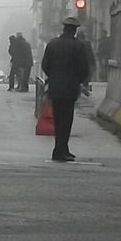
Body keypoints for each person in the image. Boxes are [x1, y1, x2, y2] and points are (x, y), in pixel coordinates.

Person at [41, 17, 90, 162]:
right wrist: (78, 80)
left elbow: (45, 65)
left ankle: (61, 148)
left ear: (63, 29)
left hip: (55, 88)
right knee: (66, 120)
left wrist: (54, 76)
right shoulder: (79, 46)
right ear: (74, 30)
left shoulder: (52, 44)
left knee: (58, 119)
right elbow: (84, 68)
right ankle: (61, 150)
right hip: (70, 89)